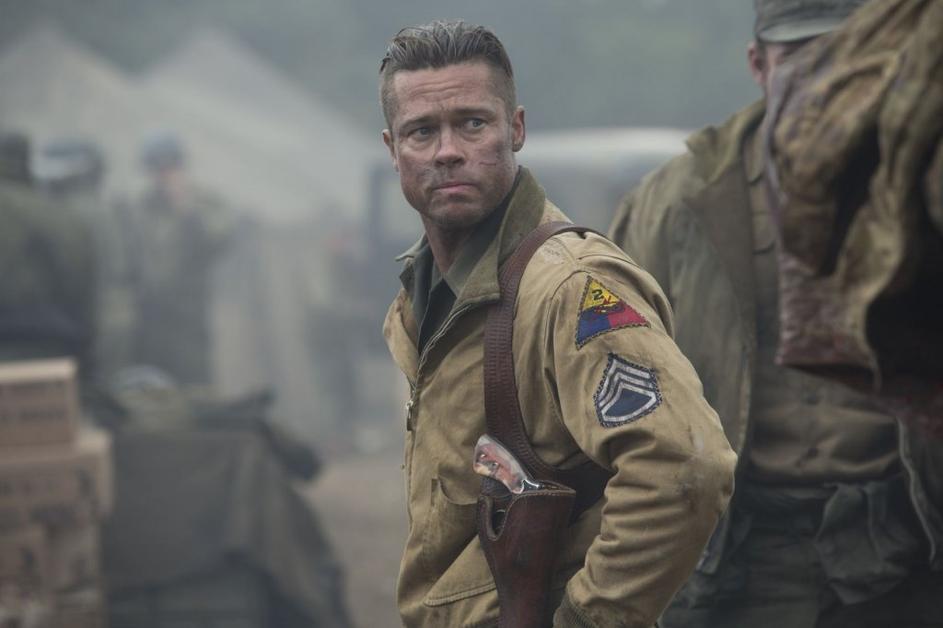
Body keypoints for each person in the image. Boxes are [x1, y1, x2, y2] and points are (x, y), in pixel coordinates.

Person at [379, 20, 736, 628]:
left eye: (473, 123)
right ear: (393, 149)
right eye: (422, 131)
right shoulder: (422, 296)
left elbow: (685, 467)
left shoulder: (570, 287)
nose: (447, 151)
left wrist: (587, 620)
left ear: (515, 129)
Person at [608, 1, 943, 626]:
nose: (825, 77)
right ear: (758, 65)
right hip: (737, 558)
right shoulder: (677, 203)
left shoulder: (924, 183)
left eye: (845, 56)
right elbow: (612, 383)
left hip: (905, 553)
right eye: (799, 56)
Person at [117, 130, 231, 386]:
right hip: (149, 319)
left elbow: (219, 238)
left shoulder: (204, 202)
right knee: (150, 388)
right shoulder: (140, 208)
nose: (163, 175)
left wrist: (185, 207)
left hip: (188, 317)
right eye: (156, 168)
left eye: (169, 166)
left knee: (194, 385)